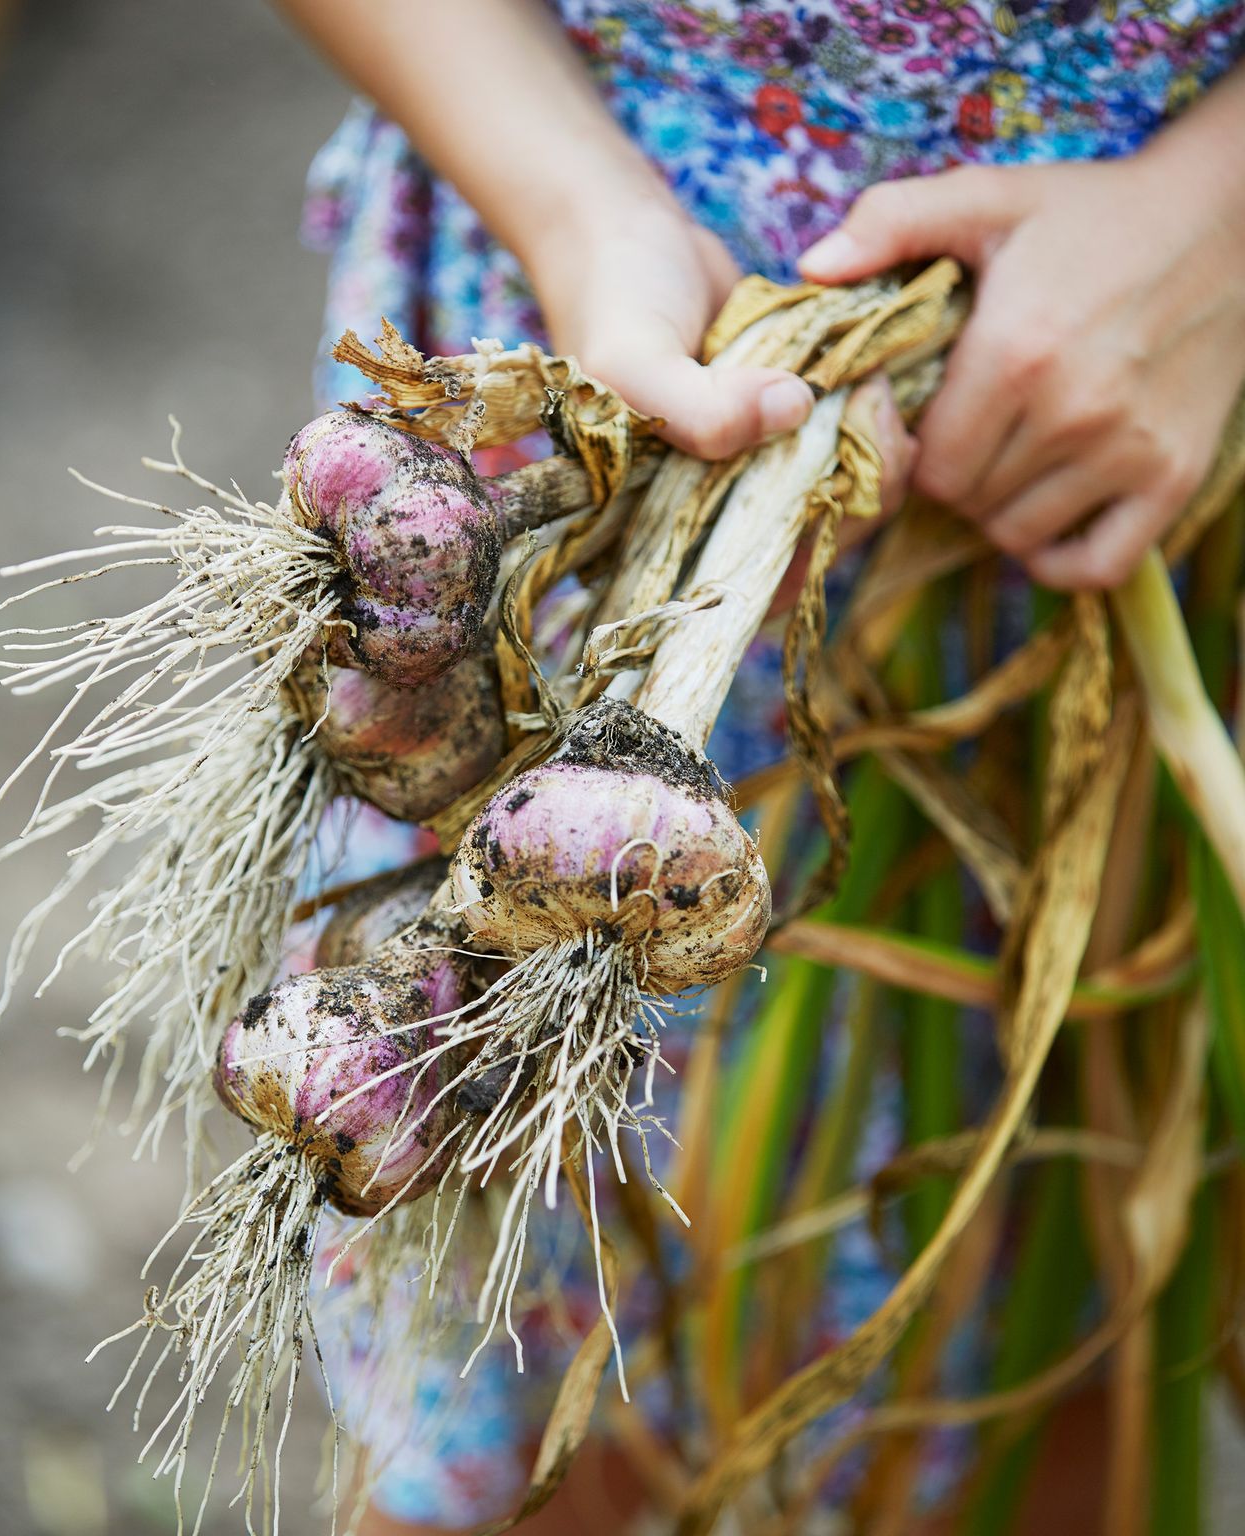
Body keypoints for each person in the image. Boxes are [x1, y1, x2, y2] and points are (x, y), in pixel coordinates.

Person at [275, 4, 1245, 1532]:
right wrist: (577, 208)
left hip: (1160, 435)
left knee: (1075, 1290)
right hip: (583, 367)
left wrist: (1220, 225)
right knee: (535, 1308)